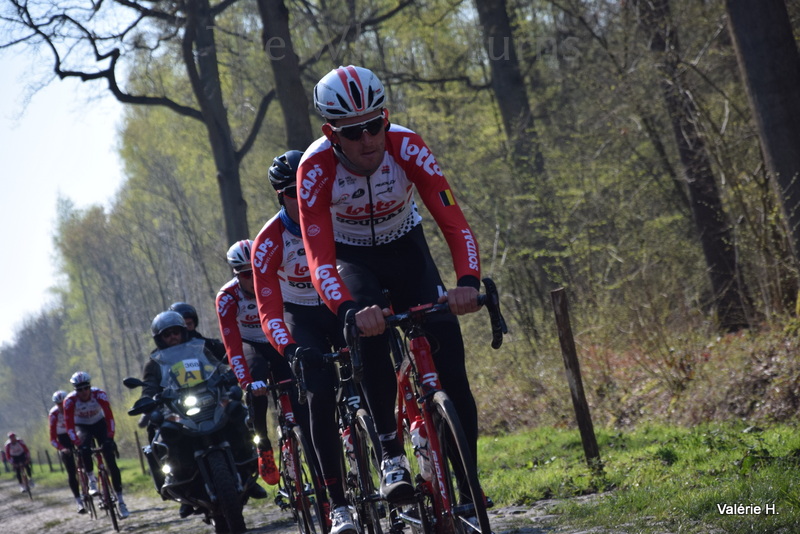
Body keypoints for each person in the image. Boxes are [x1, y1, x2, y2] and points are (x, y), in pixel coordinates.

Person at [298, 65, 483, 505]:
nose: (368, 139)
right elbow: (318, 258)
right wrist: (347, 310)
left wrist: (468, 282)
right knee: (370, 333)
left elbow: (453, 222)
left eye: (375, 124)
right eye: (354, 131)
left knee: (452, 369)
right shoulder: (314, 169)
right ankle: (389, 455)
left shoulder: (408, 146)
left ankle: (469, 483)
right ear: (331, 132)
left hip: (407, 247)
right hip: (352, 258)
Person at [252, 150, 355, 534]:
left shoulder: (335, 216)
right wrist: (290, 349)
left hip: (340, 304)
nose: (304, 195)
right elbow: (267, 311)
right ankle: (338, 503)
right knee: (318, 398)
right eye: (294, 191)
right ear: (281, 196)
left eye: (308, 186)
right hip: (302, 317)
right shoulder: (269, 242)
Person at [144, 310, 266, 518]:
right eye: (167, 334)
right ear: (160, 339)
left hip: (211, 399)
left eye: (176, 332)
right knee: (160, 430)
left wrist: (230, 374)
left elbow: (225, 358)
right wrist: (148, 401)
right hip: (179, 408)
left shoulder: (201, 346)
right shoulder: (155, 363)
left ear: (183, 331)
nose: (173, 337)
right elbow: (149, 387)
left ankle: (250, 462)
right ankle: (178, 482)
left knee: (237, 411)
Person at [63, 371, 130, 519]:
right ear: (75, 390)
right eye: (79, 389)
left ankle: (121, 502)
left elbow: (110, 417)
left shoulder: (99, 394)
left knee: (111, 462)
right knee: (84, 448)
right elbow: (69, 427)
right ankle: (92, 480)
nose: (83, 392)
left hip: (100, 424)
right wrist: (77, 443)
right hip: (82, 426)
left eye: (86, 388)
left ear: (90, 387)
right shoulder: (69, 401)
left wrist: (110, 438)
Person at [49, 390, 84, 513]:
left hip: (77, 433)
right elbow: (52, 439)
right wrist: (62, 448)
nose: (61, 406)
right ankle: (78, 501)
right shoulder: (53, 414)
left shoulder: (74, 407)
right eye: (58, 404)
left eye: (63, 403)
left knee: (86, 453)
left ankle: (90, 479)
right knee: (71, 471)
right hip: (63, 439)